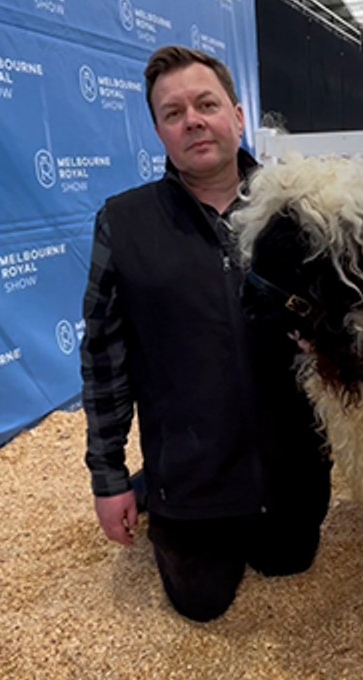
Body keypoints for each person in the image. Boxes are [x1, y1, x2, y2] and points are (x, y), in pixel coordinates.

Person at [80, 46, 332, 622]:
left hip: (293, 473)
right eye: (173, 113)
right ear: (159, 132)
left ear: (238, 117)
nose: (192, 119)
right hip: (194, 484)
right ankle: (152, 491)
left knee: (291, 563)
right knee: (201, 604)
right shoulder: (125, 223)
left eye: (206, 104)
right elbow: (103, 358)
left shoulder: (303, 210)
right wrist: (109, 476)